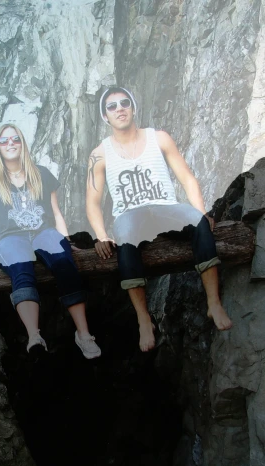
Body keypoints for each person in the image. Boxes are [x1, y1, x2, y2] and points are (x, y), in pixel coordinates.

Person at [85, 86, 232, 352]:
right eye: (112, 106)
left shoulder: (159, 138)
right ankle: (144, 319)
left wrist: (201, 211)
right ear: (105, 116)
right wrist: (100, 234)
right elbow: (92, 202)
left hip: (165, 208)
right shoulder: (100, 154)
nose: (119, 109)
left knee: (198, 223)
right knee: (126, 236)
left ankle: (213, 303)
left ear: (133, 107)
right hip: (130, 215)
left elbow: (186, 177)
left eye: (124, 103)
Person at [0, 123, 101, 359]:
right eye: (4, 141)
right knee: (22, 267)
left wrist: (66, 241)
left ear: (22, 143)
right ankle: (35, 337)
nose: (10, 144)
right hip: (10, 238)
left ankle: (83, 334)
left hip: (43, 232)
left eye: (15, 139)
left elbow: (56, 213)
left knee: (64, 263)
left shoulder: (42, 173)